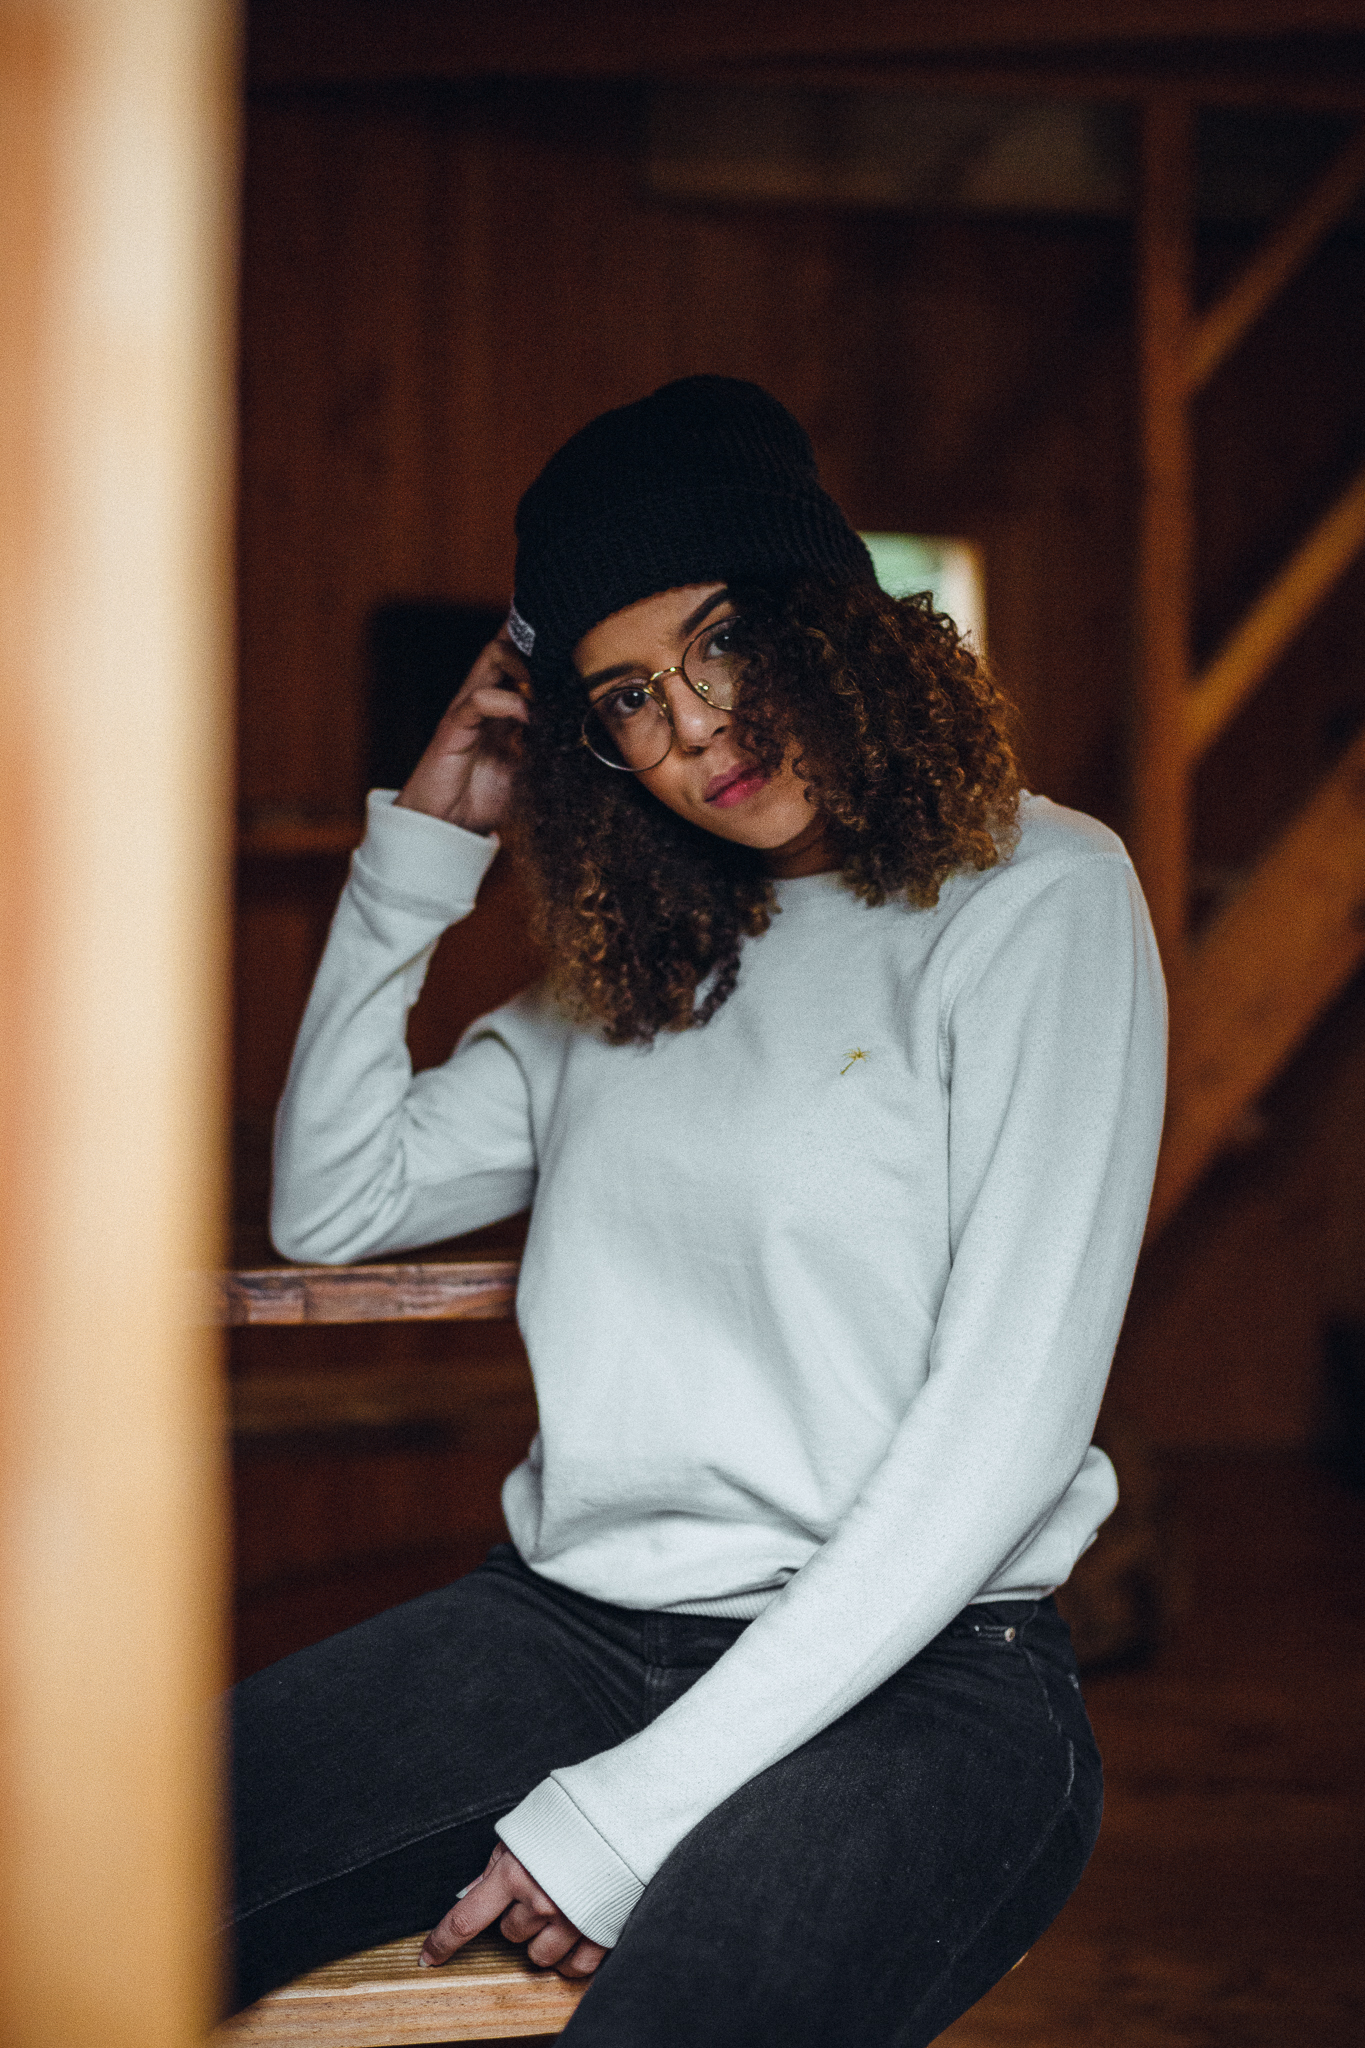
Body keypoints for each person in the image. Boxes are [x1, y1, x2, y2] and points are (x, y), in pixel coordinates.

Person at [228, 376, 1167, 2045]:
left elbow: (1002, 1432)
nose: (694, 729)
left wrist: (625, 1812)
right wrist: (420, 855)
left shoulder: (1038, 895)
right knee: (79, 1871)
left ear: (833, 622)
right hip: (566, 1627)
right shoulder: (638, 964)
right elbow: (333, 1198)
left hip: (928, 1671)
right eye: (626, 698)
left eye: (724, 642)